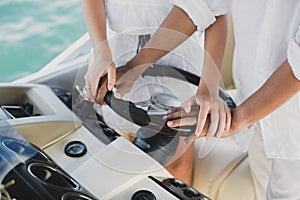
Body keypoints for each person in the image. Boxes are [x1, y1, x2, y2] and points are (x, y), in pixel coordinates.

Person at [127, 1, 300, 199]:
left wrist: (239, 119)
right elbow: (204, 5)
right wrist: (135, 66)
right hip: (254, 113)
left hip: (293, 123)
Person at [82, 0, 230, 184]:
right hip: (115, 51)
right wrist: (101, 52)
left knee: (174, 166)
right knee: (118, 152)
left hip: (179, 53)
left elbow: (215, 10)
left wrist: (209, 88)